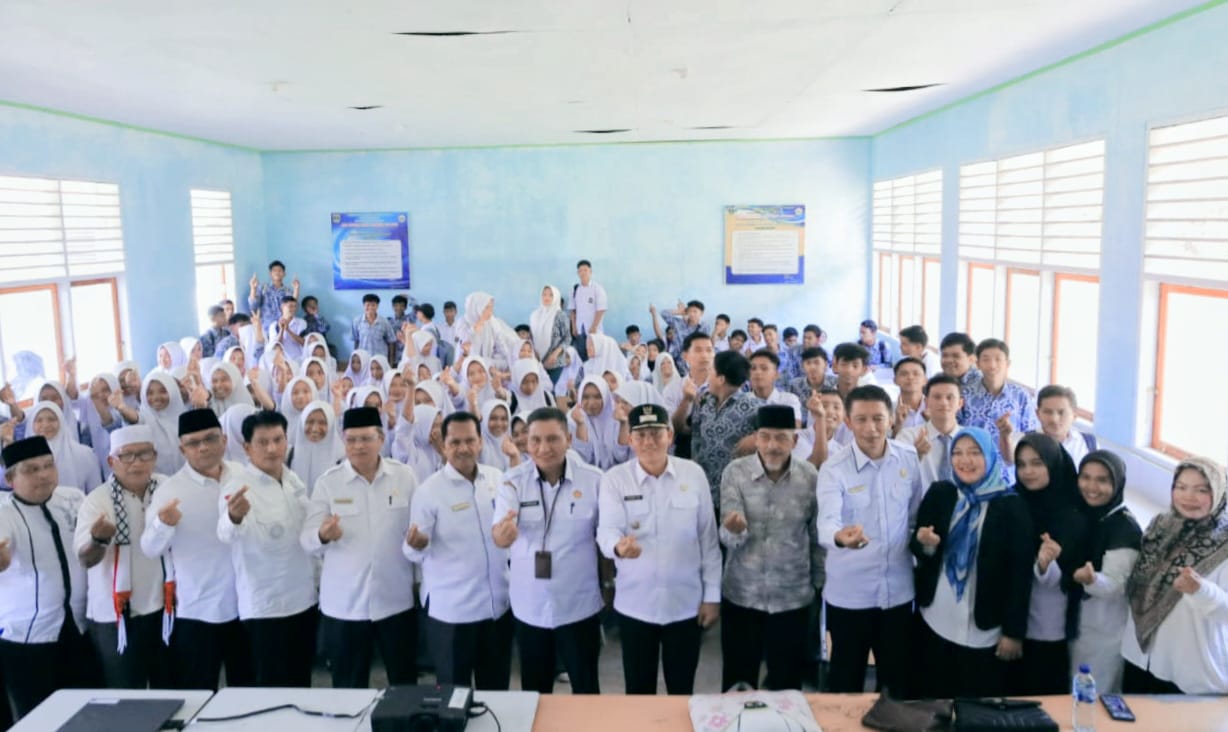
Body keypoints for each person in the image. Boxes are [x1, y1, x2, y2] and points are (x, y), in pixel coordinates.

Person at [598, 404, 721, 695]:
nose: (649, 441)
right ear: (630, 439)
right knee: (638, 691)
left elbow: (708, 540)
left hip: (685, 604)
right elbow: (606, 530)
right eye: (641, 435)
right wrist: (618, 546)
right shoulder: (615, 479)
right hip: (635, 605)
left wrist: (712, 597)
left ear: (670, 435)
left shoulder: (693, 474)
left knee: (682, 690)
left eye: (656, 433)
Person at [303, 406, 421, 688]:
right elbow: (306, 539)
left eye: (366, 439)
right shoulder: (329, 483)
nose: (358, 446)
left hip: (395, 600)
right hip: (345, 606)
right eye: (352, 439)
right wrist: (322, 534)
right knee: (348, 688)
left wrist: (419, 579)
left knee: (404, 683)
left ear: (381, 439)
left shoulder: (404, 477)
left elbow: (417, 529)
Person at [911, 427, 1033, 698]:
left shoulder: (1012, 507)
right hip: (936, 619)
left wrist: (1013, 632)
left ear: (990, 456)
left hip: (985, 629)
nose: (965, 460)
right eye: (957, 453)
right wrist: (925, 544)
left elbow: (1020, 575)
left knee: (978, 705)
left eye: (975, 453)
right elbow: (919, 547)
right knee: (932, 701)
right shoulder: (941, 493)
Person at [817, 385, 923, 695]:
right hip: (851, 595)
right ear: (848, 422)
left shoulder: (908, 458)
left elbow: (914, 515)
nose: (871, 428)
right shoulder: (834, 468)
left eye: (878, 418)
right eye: (861, 419)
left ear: (891, 419)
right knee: (846, 682)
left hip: (898, 593)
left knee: (897, 683)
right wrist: (839, 537)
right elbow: (826, 522)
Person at [493, 407, 605, 694]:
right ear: (526, 443)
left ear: (568, 439)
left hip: (579, 604)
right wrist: (503, 535)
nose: (544, 448)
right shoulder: (512, 482)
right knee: (535, 692)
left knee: (587, 690)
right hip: (530, 605)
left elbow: (606, 536)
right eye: (536, 440)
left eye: (553, 439)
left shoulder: (594, 480)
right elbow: (499, 532)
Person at [140, 409, 254, 690]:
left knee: (248, 690)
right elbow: (149, 548)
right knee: (199, 693)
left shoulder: (244, 475)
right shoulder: (170, 491)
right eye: (193, 443)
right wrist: (163, 524)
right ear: (182, 449)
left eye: (210, 438)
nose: (203, 447)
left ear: (224, 440)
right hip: (199, 609)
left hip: (247, 604)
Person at [406, 412, 512, 690]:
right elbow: (412, 550)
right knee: (452, 696)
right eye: (455, 442)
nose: (463, 448)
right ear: (443, 445)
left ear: (480, 442)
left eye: (470, 441)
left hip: (496, 609)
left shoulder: (497, 479)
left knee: (497, 694)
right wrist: (417, 544)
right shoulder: (429, 491)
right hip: (452, 614)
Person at [719, 405, 822, 691]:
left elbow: (816, 537)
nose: (772, 446)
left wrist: (818, 584)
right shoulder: (735, 473)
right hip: (742, 594)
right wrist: (734, 529)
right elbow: (726, 536)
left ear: (795, 440)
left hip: (793, 598)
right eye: (764, 437)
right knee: (738, 684)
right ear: (755, 438)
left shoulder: (809, 477)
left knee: (786, 685)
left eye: (781, 438)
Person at [217, 410, 317, 687]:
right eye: (263, 442)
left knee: (301, 682)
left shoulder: (293, 480)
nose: (272, 448)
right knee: (271, 688)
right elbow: (225, 533)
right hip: (266, 607)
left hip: (303, 599)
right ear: (247, 448)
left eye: (278, 439)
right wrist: (234, 517)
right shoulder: (238, 486)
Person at [0, 437, 95, 718]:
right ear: (10, 479)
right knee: (39, 718)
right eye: (31, 470)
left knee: (86, 713)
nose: (43, 474)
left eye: (48, 465)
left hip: (79, 628)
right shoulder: (4, 513)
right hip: (28, 638)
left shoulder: (73, 498)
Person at [74, 426, 171, 689]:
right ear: (111, 462)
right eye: (126, 455)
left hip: (165, 608)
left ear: (155, 456)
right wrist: (98, 539)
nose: (136, 463)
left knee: (171, 689)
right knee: (126, 694)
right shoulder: (96, 501)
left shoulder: (167, 489)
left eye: (144, 454)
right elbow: (85, 560)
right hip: (114, 615)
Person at [1123, 456, 1228, 695]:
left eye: (1201, 490)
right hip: (1138, 655)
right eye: (1181, 487)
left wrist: (1201, 591)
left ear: (1219, 492)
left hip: (1189, 670)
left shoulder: (1225, 546)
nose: (1188, 497)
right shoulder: (1160, 526)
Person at [1009, 433, 1086, 696]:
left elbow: (1068, 577)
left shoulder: (1072, 514)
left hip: (1047, 627)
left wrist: (1045, 564)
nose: (1028, 472)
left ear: (1053, 464)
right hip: (1010, 622)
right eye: (1021, 464)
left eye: (1037, 463)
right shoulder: (1014, 501)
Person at [1068, 450, 1140, 692]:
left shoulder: (1124, 528)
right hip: (1074, 623)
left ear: (1117, 483)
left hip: (1103, 632)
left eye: (1102, 480)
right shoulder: (1081, 514)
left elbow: (1116, 584)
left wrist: (1091, 580)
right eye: (1086, 477)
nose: (1091, 487)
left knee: (1093, 697)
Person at [677, 350, 759, 512]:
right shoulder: (705, 401)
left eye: (711, 372)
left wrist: (756, 437)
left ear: (721, 379)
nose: (708, 377)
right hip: (702, 487)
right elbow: (691, 431)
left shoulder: (753, 405)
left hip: (736, 492)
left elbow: (781, 431)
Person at [959, 339, 1038, 481]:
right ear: (978, 364)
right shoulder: (965, 394)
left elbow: (1029, 435)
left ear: (1007, 364)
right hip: (971, 470)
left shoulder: (1020, 396)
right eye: (986, 359)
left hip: (1008, 474)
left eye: (998, 359)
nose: (992, 365)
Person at [895, 375, 963, 487]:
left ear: (960, 403)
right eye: (937, 397)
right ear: (926, 402)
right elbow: (894, 477)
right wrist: (915, 456)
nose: (943, 402)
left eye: (949, 397)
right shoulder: (908, 437)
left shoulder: (971, 438)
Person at [28, 402, 101, 494]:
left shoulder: (85, 454)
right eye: (39, 420)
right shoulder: (26, 457)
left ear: (61, 421)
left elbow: (96, 491)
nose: (45, 425)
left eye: (51, 419)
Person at [287, 401, 345, 495]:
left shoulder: (342, 460)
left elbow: (346, 498)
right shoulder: (289, 456)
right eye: (309, 422)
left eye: (322, 423)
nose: (314, 429)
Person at [139, 373, 187, 477]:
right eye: (150, 393)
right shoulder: (143, 420)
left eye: (163, 391)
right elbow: (133, 418)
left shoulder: (186, 418)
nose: (156, 397)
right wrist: (121, 407)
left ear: (173, 391)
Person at [746, 350, 802, 425]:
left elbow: (795, 428)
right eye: (753, 368)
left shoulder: (789, 400)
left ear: (776, 375)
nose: (758, 372)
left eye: (764, 368)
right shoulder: (741, 402)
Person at [530, 285, 570, 385]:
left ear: (556, 297)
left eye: (551, 295)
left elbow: (567, 338)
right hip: (537, 360)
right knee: (538, 389)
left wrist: (555, 354)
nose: (546, 297)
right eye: (544, 294)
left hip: (554, 361)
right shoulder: (535, 315)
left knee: (550, 389)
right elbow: (531, 337)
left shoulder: (560, 315)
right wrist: (534, 352)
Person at [569, 260, 608, 359]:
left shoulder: (597, 289)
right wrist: (574, 326)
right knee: (582, 355)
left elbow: (601, 309)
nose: (583, 273)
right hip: (580, 330)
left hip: (594, 330)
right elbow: (573, 310)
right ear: (578, 273)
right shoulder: (575, 289)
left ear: (590, 271)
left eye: (585, 270)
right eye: (580, 271)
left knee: (595, 355)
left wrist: (594, 326)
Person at [248, 261, 299, 326]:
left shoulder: (288, 291)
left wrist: (296, 289)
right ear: (270, 274)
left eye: (280, 270)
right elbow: (253, 306)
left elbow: (293, 306)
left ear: (284, 274)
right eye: (274, 270)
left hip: (283, 326)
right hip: (266, 326)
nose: (277, 272)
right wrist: (253, 288)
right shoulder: (263, 288)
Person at [351, 294, 397, 363]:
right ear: (363, 305)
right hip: (363, 358)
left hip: (380, 359)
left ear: (377, 306)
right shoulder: (357, 321)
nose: (370, 307)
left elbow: (391, 341)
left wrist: (391, 362)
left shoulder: (384, 322)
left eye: (373, 305)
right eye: (367, 305)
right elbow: (356, 340)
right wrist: (355, 359)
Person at [890, 357, 927, 437]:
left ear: (925, 380)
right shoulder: (888, 410)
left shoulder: (935, 407)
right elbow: (885, 443)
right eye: (904, 374)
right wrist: (898, 424)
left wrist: (932, 422)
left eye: (916, 374)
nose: (910, 377)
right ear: (895, 380)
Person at [268, 295, 307, 361]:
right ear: (282, 307)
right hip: (282, 360)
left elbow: (304, 343)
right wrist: (282, 330)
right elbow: (275, 346)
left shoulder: (301, 322)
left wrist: (288, 330)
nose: (293, 309)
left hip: (298, 360)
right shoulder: (274, 325)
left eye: (295, 306)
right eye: (290, 306)